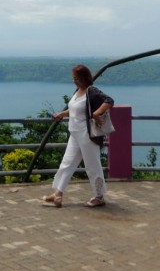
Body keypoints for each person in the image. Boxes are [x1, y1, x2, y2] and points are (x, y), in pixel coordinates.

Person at [43, 64, 114, 208]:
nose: (74, 80)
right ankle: (58, 194)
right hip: (74, 134)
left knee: (92, 166)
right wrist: (62, 114)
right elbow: (75, 110)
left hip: (87, 135)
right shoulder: (78, 91)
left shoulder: (91, 91)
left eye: (75, 78)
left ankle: (99, 196)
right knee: (66, 163)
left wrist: (96, 113)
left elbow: (109, 101)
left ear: (83, 78)